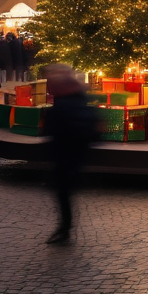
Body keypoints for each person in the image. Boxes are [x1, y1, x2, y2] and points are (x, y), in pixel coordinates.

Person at [44, 64, 98, 244]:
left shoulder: (62, 108)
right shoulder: (81, 103)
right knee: (64, 193)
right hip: (76, 155)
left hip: (66, 156)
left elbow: (49, 131)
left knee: (63, 193)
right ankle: (64, 228)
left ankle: (64, 229)